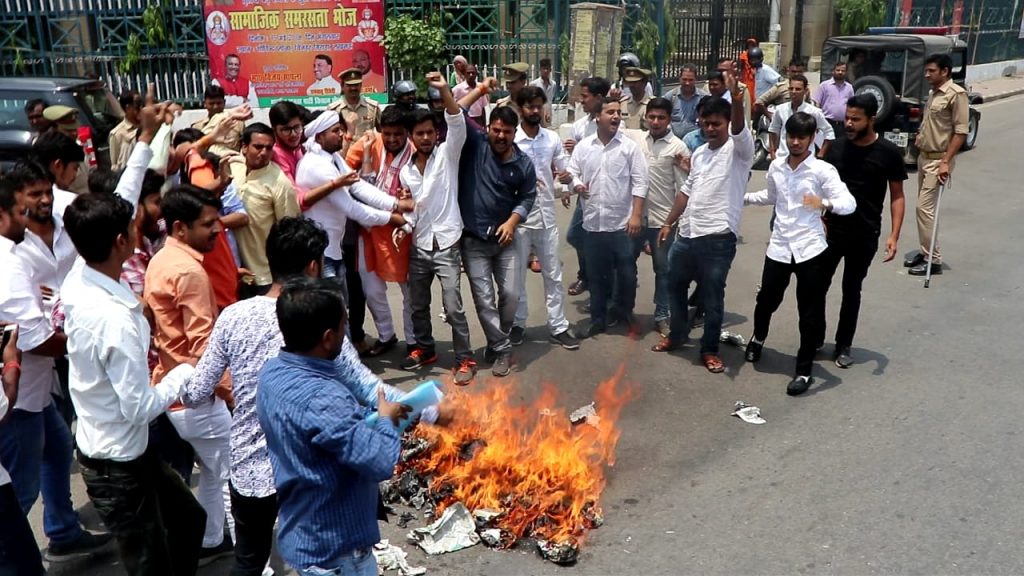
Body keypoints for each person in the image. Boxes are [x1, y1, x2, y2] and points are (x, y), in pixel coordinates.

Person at [61, 192, 206, 576]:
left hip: (124, 450)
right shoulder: (115, 321)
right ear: (120, 242)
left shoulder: (81, 276)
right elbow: (139, 407)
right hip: (117, 465)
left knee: (189, 520)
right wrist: (183, 373)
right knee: (148, 564)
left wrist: (145, 141)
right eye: (131, 227)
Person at [256, 276, 407, 576]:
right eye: (343, 326)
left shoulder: (271, 373)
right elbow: (380, 462)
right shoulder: (324, 398)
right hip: (338, 554)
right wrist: (388, 420)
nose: (346, 333)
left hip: (305, 531)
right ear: (327, 337)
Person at [143, 186, 234, 562]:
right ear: (180, 228)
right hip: (197, 394)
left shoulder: (161, 259)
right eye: (208, 224)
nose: (219, 230)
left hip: (175, 389)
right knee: (234, 479)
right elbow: (203, 345)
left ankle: (211, 541)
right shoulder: (188, 270)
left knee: (214, 474)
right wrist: (229, 391)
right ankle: (254, 561)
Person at [743, 112, 856, 395]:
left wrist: (824, 203)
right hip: (780, 246)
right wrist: (740, 197)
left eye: (801, 138)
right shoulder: (777, 167)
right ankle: (758, 338)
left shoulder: (822, 171)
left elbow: (849, 203)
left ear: (812, 138)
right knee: (767, 298)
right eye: (790, 136)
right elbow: (770, 197)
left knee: (809, 312)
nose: (795, 142)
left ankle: (803, 371)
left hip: (810, 250)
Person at [651, 73, 752, 374]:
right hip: (688, 234)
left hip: (718, 238)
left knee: (711, 297)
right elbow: (686, 191)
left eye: (716, 124)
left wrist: (735, 100)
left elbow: (739, 127)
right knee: (674, 285)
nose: (710, 129)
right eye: (705, 123)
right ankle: (679, 335)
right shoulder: (700, 155)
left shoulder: (739, 152)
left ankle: (709, 350)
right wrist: (669, 223)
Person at [397, 73, 484, 383]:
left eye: (429, 132)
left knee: (453, 305)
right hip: (420, 244)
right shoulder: (406, 172)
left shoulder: (448, 154)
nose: (425, 138)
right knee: (418, 303)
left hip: (447, 244)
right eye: (419, 133)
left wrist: (445, 89)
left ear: (436, 134)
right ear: (411, 136)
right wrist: (404, 226)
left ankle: (464, 358)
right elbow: (414, 210)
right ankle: (425, 348)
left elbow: (456, 118)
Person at [821, 94, 907, 368]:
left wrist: (894, 235)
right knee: (817, 286)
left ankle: (843, 344)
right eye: (847, 117)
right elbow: (820, 186)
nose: (848, 123)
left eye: (855, 119)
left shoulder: (888, 153)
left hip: (864, 234)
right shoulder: (835, 150)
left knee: (851, 289)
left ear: (872, 120)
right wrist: (818, 217)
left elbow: (897, 196)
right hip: (831, 231)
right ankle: (813, 340)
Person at [458, 94, 538, 377]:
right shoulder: (476, 144)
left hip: (506, 240)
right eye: (496, 129)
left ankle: (496, 340)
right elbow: (456, 111)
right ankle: (503, 350)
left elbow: (528, 197)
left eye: (507, 131)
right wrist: (479, 89)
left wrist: (512, 222)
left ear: (514, 133)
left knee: (512, 295)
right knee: (484, 299)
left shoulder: (524, 163)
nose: (501, 135)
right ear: (488, 128)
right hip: (473, 239)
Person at [294, 110, 411, 293]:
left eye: (340, 129)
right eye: (335, 131)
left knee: (339, 310)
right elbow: (352, 208)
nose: (342, 134)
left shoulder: (333, 158)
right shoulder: (317, 166)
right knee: (330, 311)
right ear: (319, 137)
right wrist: (392, 218)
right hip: (320, 254)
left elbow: (358, 186)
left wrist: (395, 203)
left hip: (331, 249)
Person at [568, 97, 649, 337]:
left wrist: (635, 215)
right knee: (596, 276)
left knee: (627, 274)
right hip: (593, 224)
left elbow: (641, 182)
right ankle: (597, 319)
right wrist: (577, 184)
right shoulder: (584, 147)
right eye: (610, 112)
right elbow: (572, 172)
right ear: (597, 117)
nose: (616, 116)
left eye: (618, 112)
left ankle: (624, 312)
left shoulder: (629, 147)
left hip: (622, 225)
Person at [510, 86, 580, 351]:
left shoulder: (551, 139)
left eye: (540, 106)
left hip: (547, 219)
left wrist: (570, 182)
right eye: (531, 106)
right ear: (521, 109)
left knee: (553, 275)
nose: (536, 111)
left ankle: (559, 326)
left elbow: (566, 173)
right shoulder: (513, 140)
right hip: (519, 219)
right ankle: (518, 324)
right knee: (516, 277)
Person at [345, 106, 419, 357]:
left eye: (398, 134)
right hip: (369, 229)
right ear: (379, 131)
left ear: (407, 133)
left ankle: (413, 341)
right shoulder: (368, 144)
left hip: (404, 230)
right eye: (386, 134)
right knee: (373, 290)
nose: (392, 139)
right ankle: (386, 335)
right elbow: (344, 173)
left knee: (410, 290)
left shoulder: (416, 151)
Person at [0, 177, 46, 576]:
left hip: (37, 395)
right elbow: (29, 335)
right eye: (21, 212)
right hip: (20, 405)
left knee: (58, 447)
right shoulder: (8, 261)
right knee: (21, 493)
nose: (28, 219)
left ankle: (63, 529)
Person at [905, 53, 969, 276]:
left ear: (945, 71)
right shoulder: (934, 93)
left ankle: (934, 259)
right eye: (927, 70)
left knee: (924, 208)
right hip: (924, 157)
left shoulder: (957, 95)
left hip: (938, 160)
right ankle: (925, 251)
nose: (927, 74)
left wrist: (945, 162)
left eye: (932, 70)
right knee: (925, 211)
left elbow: (960, 132)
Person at [635, 97, 689, 338]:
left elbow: (683, 189)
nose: (655, 122)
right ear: (645, 117)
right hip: (635, 218)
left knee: (663, 269)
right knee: (625, 264)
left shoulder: (677, 148)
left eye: (661, 118)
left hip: (661, 221)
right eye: (651, 117)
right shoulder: (636, 142)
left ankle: (662, 315)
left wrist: (671, 222)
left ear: (669, 120)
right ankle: (622, 310)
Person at [235, 123, 301, 296]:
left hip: (263, 277)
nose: (263, 152)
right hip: (233, 271)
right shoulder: (233, 169)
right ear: (244, 147)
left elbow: (289, 233)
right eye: (258, 147)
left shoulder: (280, 183)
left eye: (268, 148)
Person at [564, 76, 611, 298]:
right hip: (585, 193)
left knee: (605, 241)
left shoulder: (611, 122)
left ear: (599, 97)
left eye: (585, 96)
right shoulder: (580, 126)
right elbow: (572, 162)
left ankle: (602, 280)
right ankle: (588, 275)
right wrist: (567, 188)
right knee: (575, 235)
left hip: (608, 194)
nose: (581, 101)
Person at [768, 74, 834, 160]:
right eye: (791, 89)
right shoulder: (780, 110)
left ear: (805, 91)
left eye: (798, 89)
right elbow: (773, 130)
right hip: (783, 158)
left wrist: (821, 153)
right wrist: (773, 152)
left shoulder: (814, 112)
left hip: (806, 160)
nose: (794, 92)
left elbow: (829, 132)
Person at [753, 58, 809, 125]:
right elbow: (759, 102)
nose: (796, 74)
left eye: (799, 72)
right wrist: (771, 116)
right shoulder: (781, 87)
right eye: (793, 71)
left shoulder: (807, 88)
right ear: (789, 71)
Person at [327, 68, 381, 139]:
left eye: (356, 84)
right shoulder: (333, 110)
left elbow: (382, 132)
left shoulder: (373, 108)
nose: (353, 88)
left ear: (361, 85)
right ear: (342, 87)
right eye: (349, 85)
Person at [192, 84, 245, 152]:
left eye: (219, 103)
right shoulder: (197, 127)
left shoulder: (238, 124)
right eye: (211, 103)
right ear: (204, 104)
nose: (215, 107)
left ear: (224, 102)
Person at [268, 101, 306, 185]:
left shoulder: (299, 149)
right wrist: (333, 185)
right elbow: (294, 194)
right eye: (286, 130)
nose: (293, 134)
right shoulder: (276, 155)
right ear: (274, 130)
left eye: (297, 127)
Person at [664, 63, 705, 139]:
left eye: (690, 80)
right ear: (679, 78)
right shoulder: (670, 96)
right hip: (674, 141)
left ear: (696, 79)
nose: (687, 83)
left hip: (696, 141)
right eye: (684, 79)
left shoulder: (703, 98)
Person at [814, 62, 855, 136]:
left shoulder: (849, 88)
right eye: (838, 70)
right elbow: (817, 104)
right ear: (833, 71)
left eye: (843, 71)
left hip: (843, 125)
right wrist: (817, 122)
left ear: (846, 72)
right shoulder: (824, 85)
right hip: (826, 123)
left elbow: (852, 106)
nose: (840, 72)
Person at [110, 89, 142, 171]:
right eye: (137, 106)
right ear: (128, 108)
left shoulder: (147, 125)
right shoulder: (117, 134)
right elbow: (115, 165)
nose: (141, 108)